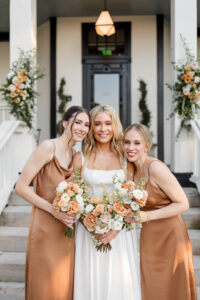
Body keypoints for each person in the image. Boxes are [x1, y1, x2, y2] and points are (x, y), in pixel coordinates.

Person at [15, 106, 90, 300]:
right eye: (78, 122)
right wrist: (54, 211)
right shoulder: (48, 147)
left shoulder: (76, 157)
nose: (82, 128)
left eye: (86, 125)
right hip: (45, 227)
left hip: (66, 231)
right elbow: (21, 187)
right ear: (65, 123)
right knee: (44, 286)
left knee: (62, 287)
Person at [73, 105, 141, 300]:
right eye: (98, 124)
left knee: (119, 281)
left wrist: (117, 227)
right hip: (88, 232)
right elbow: (77, 194)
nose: (103, 129)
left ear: (115, 125)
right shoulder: (81, 157)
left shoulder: (125, 157)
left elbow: (132, 195)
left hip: (119, 233)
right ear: (91, 128)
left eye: (108, 123)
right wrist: (90, 225)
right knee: (90, 280)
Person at [123, 123, 197, 300]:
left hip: (170, 234)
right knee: (152, 284)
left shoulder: (156, 168)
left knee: (171, 285)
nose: (130, 147)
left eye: (137, 143)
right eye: (127, 142)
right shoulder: (130, 169)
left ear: (147, 146)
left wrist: (148, 215)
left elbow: (183, 203)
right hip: (149, 235)